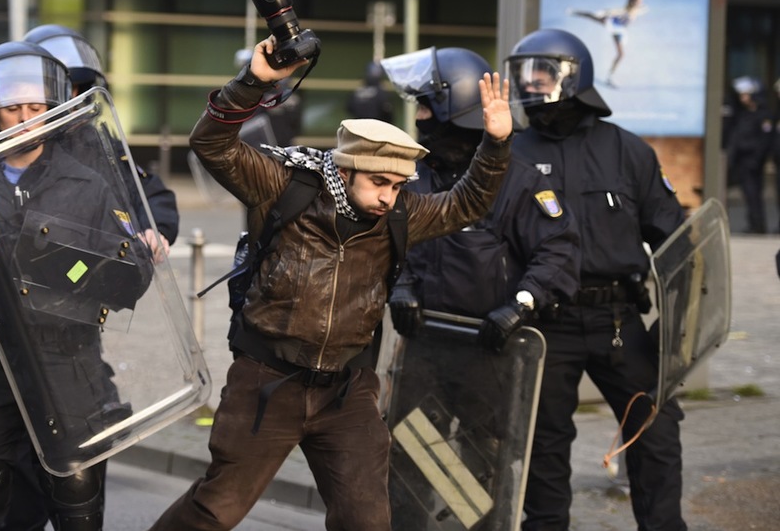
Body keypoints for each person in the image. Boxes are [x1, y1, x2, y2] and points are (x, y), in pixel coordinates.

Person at [145, 35, 514, 531]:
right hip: (267, 381)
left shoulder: (400, 213)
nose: (388, 197)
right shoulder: (285, 185)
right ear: (347, 168)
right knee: (216, 510)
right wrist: (252, 83)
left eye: (397, 186)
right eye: (378, 183)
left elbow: (466, 204)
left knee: (367, 521)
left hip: (347, 393)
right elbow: (210, 143)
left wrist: (496, 144)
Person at [0, 41, 155, 530]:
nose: (25, 119)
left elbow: (133, 275)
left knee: (77, 497)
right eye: (13, 108)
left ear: (53, 108)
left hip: (68, 364)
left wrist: (75, 264)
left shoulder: (89, 183)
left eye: (36, 107)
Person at [379, 46, 581, 529]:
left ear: (458, 109)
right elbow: (388, 243)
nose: (419, 117)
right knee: (408, 449)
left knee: (483, 456)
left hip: (489, 349)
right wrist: (400, 287)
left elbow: (558, 250)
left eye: (427, 106)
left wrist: (521, 305)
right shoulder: (414, 176)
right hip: (422, 345)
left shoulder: (518, 181)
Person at [505, 28, 687, 531]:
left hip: (619, 321)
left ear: (574, 76)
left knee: (656, 434)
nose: (530, 83)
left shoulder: (629, 151)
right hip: (545, 324)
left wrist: (679, 328)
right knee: (543, 445)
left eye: (542, 73)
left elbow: (677, 242)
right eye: (524, 74)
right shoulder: (509, 154)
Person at [21, 23, 180, 252]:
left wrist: (154, 229)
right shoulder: (18, 149)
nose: (70, 97)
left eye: (75, 88)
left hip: (104, 264)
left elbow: (147, 191)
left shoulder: (97, 143)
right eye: (59, 88)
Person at [725, 76, 773, 234]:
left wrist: (756, 159)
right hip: (742, 160)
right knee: (748, 194)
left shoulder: (762, 114)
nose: (743, 98)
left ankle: (758, 225)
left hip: (753, 161)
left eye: (745, 95)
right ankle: (754, 223)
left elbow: (764, 140)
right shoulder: (742, 114)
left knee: (754, 194)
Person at [569, 0, 646, 87]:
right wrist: (604, 12)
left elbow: (638, 10)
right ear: (633, 1)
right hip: (614, 27)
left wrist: (642, 9)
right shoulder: (626, 9)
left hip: (620, 30)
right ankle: (610, 77)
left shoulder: (636, 9)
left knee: (620, 55)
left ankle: (610, 77)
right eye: (639, 0)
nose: (641, 1)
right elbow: (615, 11)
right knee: (593, 17)